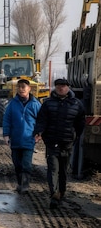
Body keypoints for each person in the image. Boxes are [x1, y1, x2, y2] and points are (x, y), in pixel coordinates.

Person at [33, 78, 85, 209]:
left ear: (68, 88)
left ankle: (61, 192)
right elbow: (41, 120)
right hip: (52, 142)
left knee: (63, 170)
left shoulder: (77, 104)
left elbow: (80, 124)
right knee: (53, 169)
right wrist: (39, 132)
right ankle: (54, 194)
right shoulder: (48, 103)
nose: (61, 88)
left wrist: (75, 136)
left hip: (67, 143)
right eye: (58, 86)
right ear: (55, 88)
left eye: (63, 86)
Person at [3, 79, 41, 194]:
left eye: (23, 87)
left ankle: (25, 185)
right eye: (19, 87)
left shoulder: (35, 104)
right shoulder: (12, 104)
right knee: (17, 164)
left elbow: (41, 121)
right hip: (15, 139)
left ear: (29, 88)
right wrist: (6, 134)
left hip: (29, 139)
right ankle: (20, 183)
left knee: (26, 164)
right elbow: (7, 120)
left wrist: (39, 134)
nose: (21, 89)